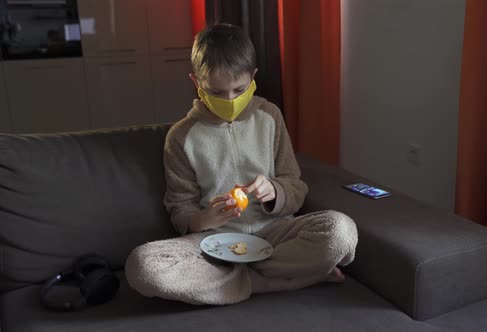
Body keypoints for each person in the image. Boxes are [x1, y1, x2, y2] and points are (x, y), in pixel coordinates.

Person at [125, 23, 358, 305]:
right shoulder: (181, 137)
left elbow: (295, 186)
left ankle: (234, 283)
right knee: (143, 266)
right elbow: (180, 210)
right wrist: (205, 218)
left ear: (254, 77)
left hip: (274, 235)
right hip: (214, 244)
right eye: (217, 92)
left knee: (341, 231)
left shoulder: (270, 116)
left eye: (239, 89)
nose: (231, 100)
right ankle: (269, 282)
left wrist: (276, 191)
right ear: (197, 83)